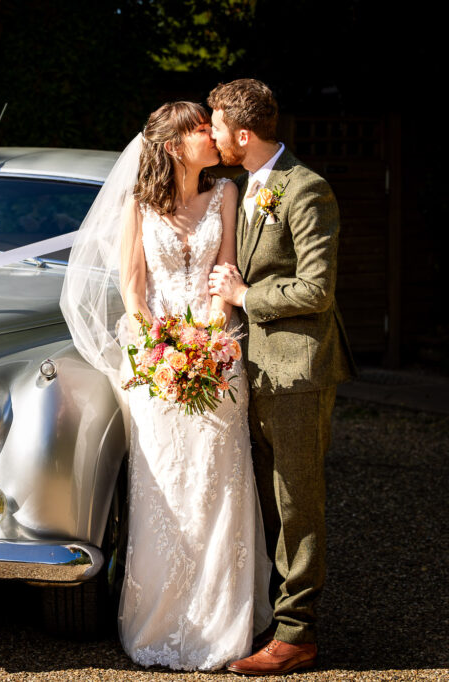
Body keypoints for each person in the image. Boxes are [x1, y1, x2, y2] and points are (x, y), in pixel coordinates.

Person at [61, 101, 272, 671]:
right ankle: (158, 619)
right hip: (154, 363)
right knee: (163, 489)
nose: (213, 136)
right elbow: (132, 288)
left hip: (217, 352)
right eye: (202, 129)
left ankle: (220, 628)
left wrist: (205, 343)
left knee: (216, 486)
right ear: (175, 145)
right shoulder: (139, 204)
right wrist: (162, 349)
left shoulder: (226, 195)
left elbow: (224, 270)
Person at [206, 79, 356, 675]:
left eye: (216, 124)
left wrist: (245, 294)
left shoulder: (306, 190)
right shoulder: (242, 188)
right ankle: (271, 613)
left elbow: (317, 289)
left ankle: (298, 634)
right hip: (252, 368)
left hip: (298, 371)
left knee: (297, 502)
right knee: (263, 499)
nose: (211, 134)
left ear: (242, 134)